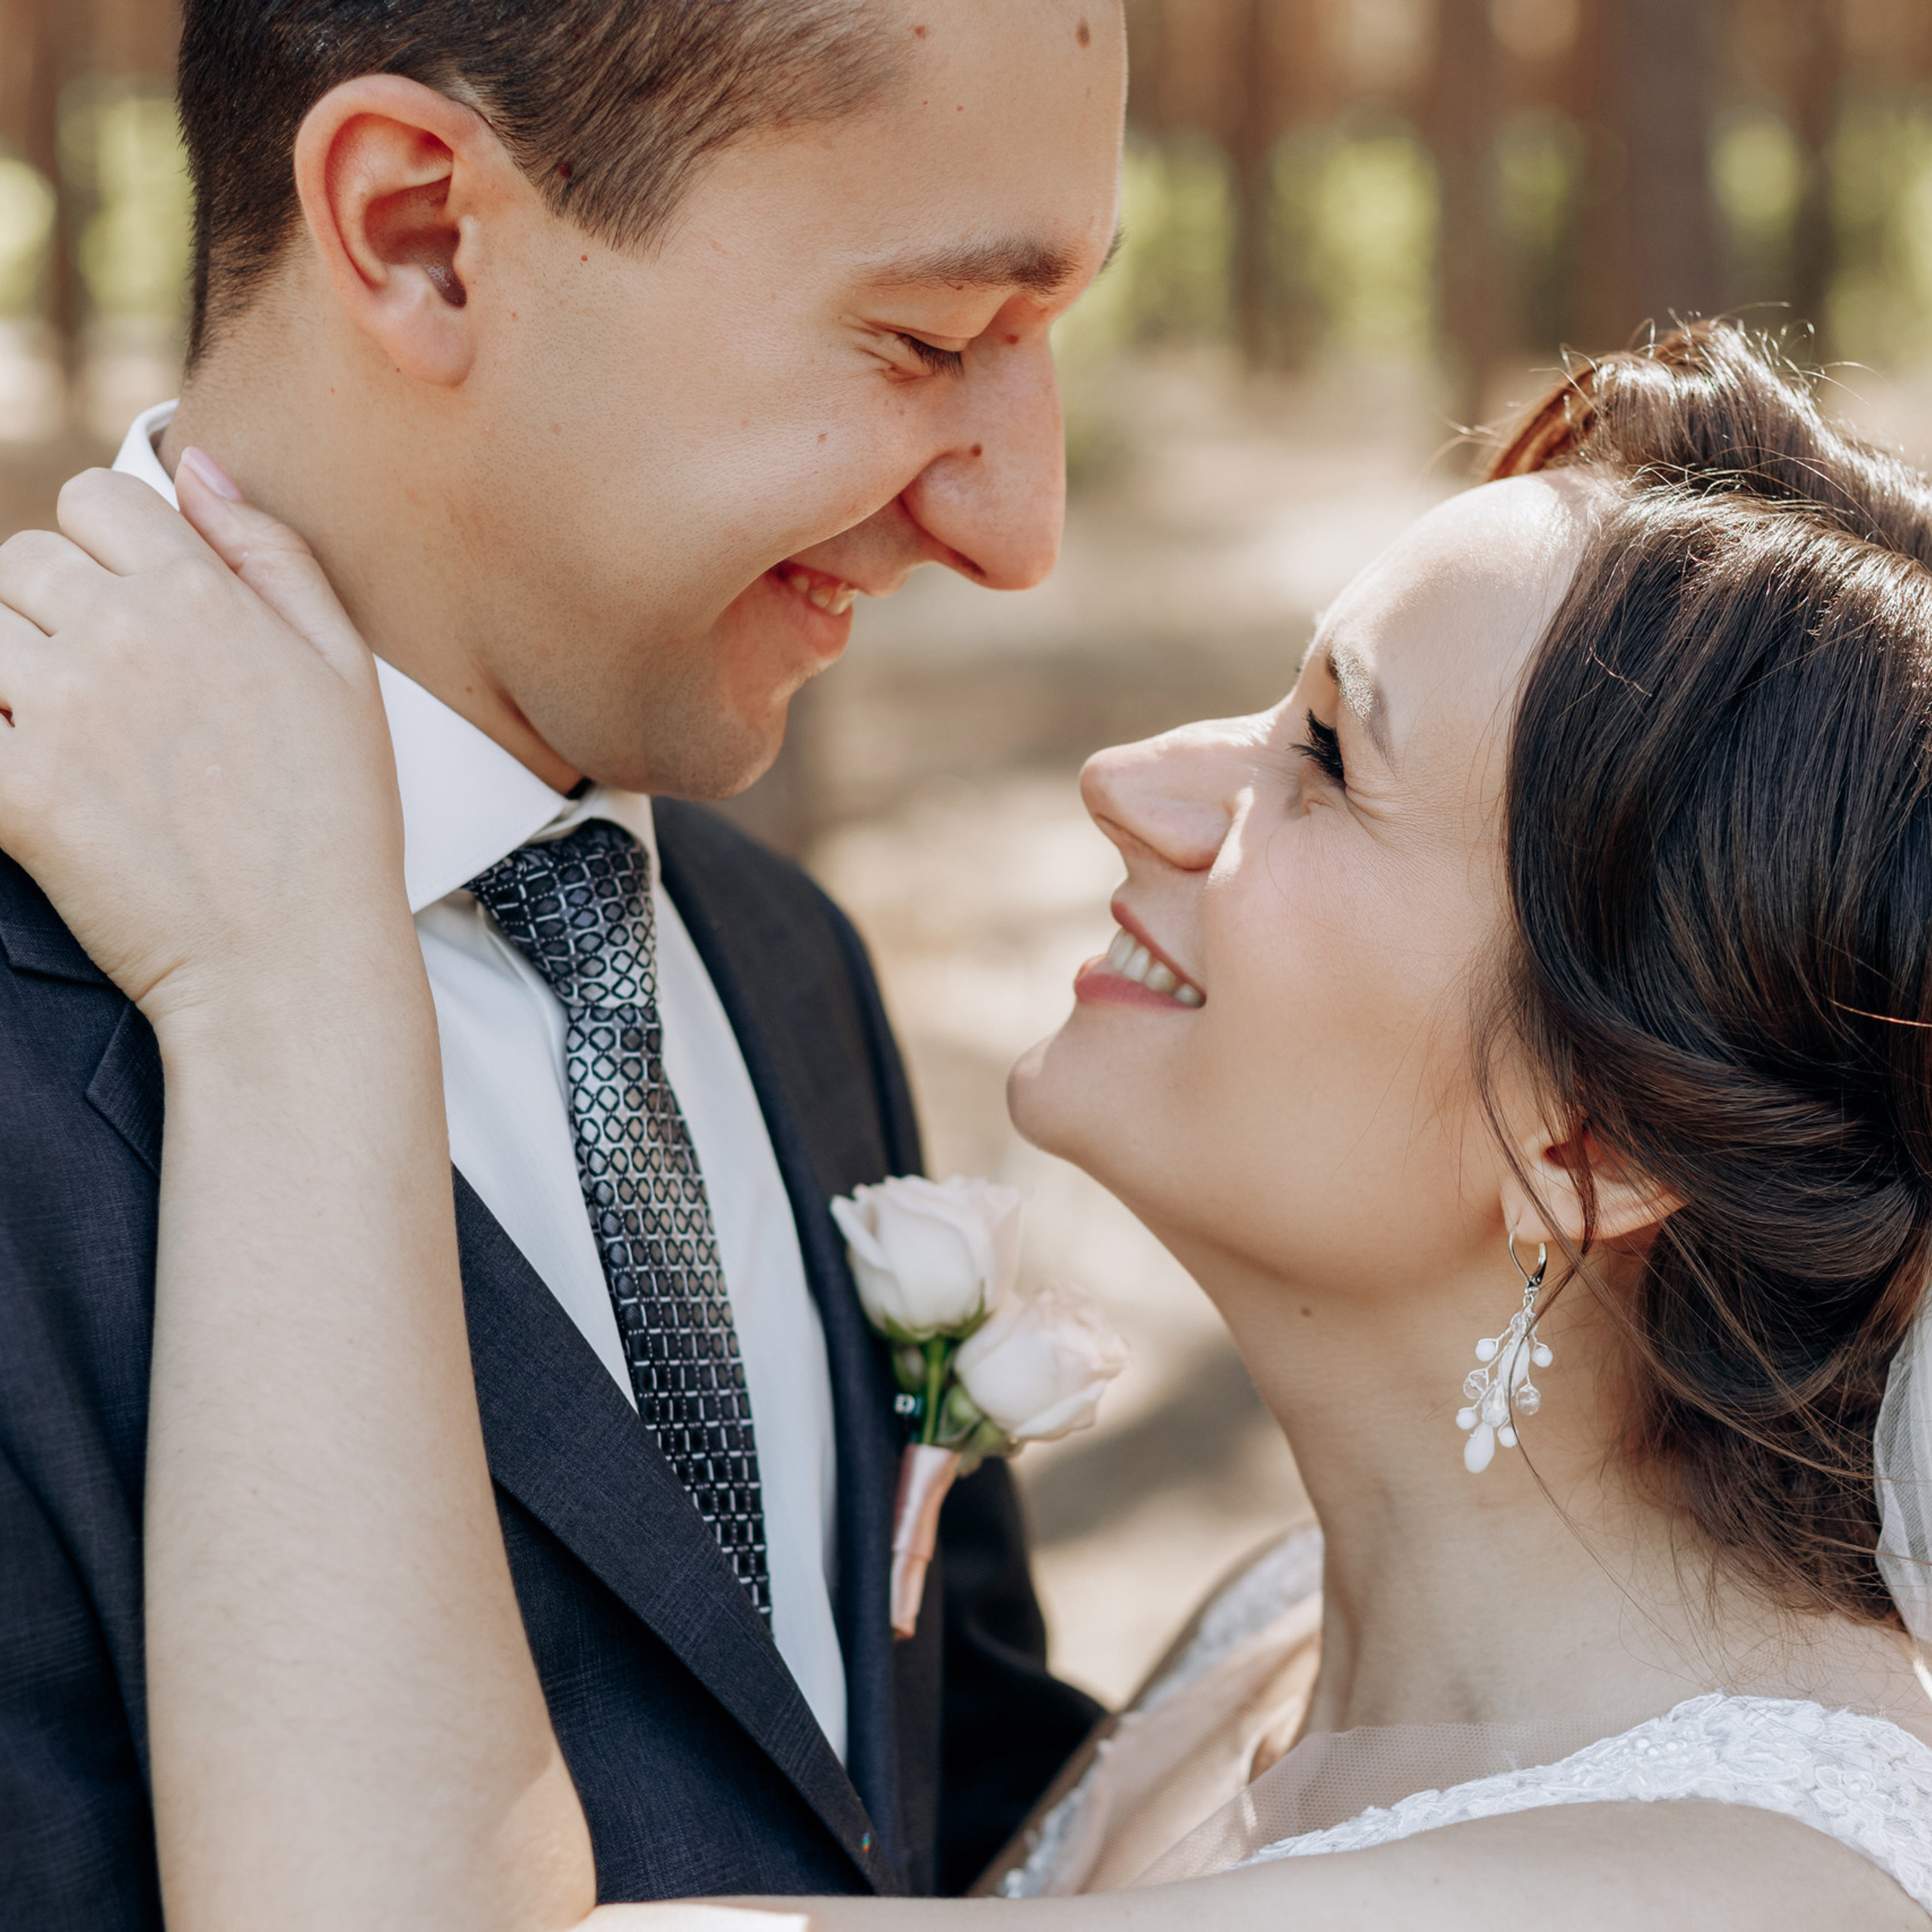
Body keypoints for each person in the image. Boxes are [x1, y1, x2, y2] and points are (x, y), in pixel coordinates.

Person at [13, 319, 1932, 1927]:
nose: (1129, 783)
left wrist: (288, 976)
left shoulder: (1713, 1886)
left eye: (1326, 759)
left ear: (1591, 1137)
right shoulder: (1270, 1650)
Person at [0, 2, 1126, 1924]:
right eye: (928, 342)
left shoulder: (783, 968)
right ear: (420, 229)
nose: (1015, 530)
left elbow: (947, 1814)